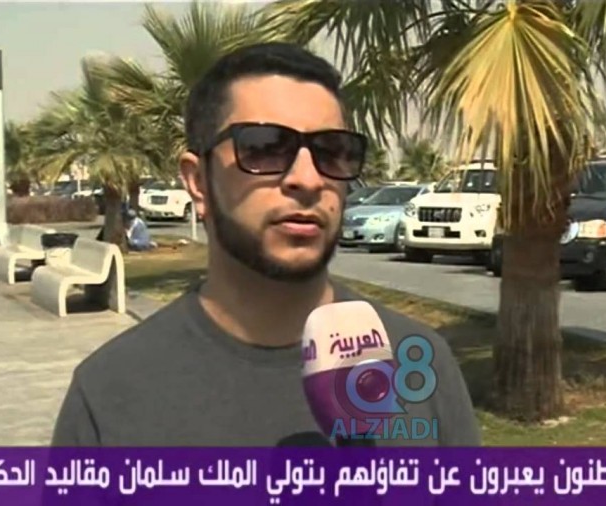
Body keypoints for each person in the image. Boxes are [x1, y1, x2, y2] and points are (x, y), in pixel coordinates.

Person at [51, 42, 481, 447]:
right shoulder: (109, 394)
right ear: (198, 181)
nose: (308, 179)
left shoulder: (422, 365)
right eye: (264, 148)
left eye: (332, 150)